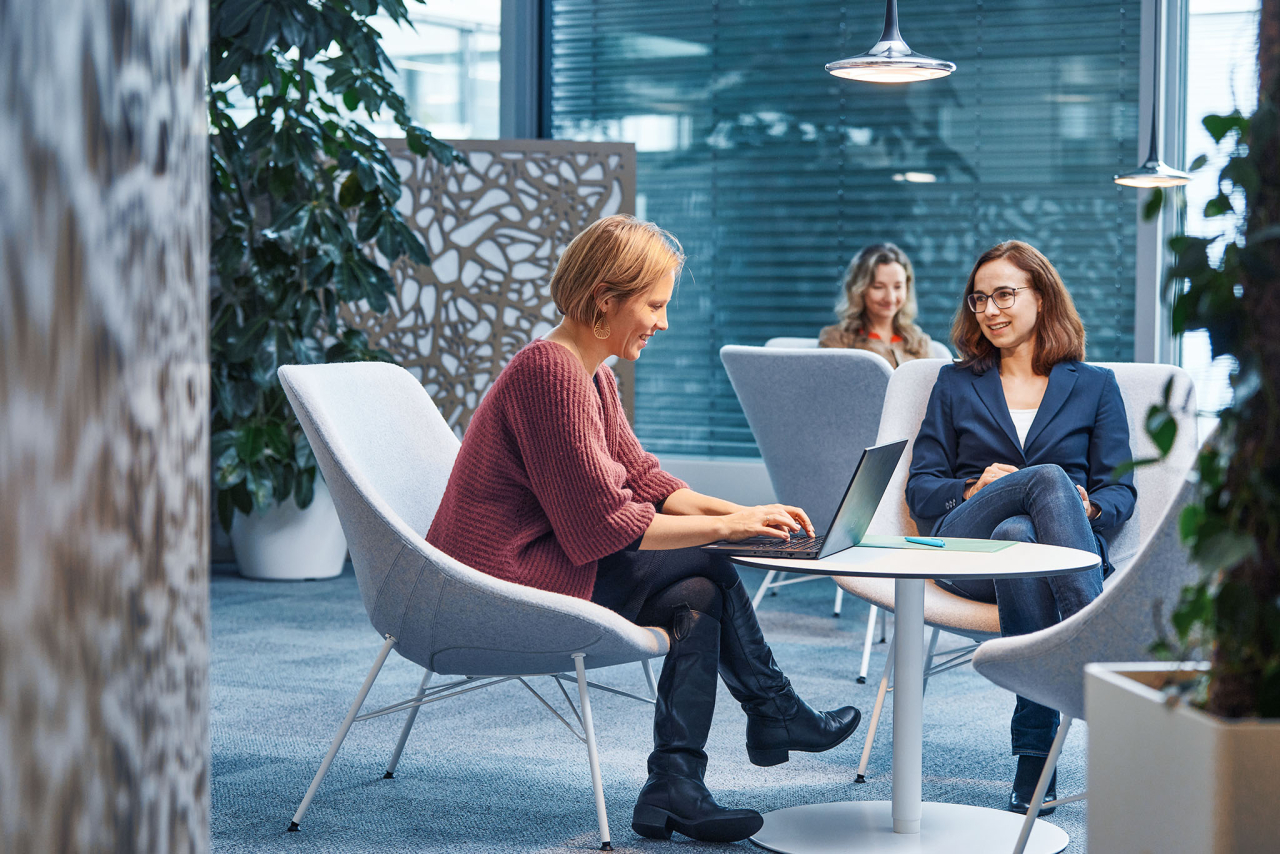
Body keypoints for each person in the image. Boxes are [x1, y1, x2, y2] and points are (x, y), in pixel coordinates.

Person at [427, 215, 861, 844]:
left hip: (550, 557)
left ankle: (677, 786)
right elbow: (605, 526)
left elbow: (645, 478)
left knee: (702, 590)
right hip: (501, 574)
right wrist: (732, 527)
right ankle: (771, 712)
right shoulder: (549, 373)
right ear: (606, 298)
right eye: (655, 305)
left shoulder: (591, 373)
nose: (663, 323)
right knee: (710, 565)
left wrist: (745, 513)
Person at [905, 240, 1136, 817]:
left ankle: (1035, 757)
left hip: (1040, 552)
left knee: (1020, 534)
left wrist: (1087, 510)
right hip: (965, 551)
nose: (989, 309)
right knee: (1039, 484)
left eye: (1004, 294)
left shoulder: (1094, 385)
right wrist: (973, 488)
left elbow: (1120, 491)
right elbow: (921, 488)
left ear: (1041, 297)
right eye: (979, 298)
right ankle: (1097, 643)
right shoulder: (957, 383)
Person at [818, 242, 935, 366]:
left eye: (898, 286)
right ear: (859, 289)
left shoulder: (920, 341)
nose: (890, 298)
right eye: (878, 287)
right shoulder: (837, 340)